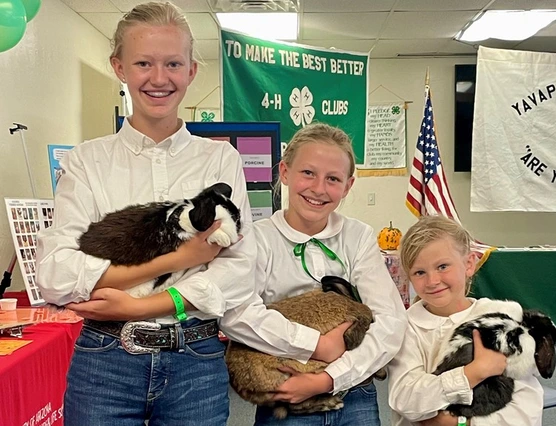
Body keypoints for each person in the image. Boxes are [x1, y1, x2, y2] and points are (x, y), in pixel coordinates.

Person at [35, 2, 256, 425]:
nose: (159, 78)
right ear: (119, 67)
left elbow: (239, 271)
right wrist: (182, 261)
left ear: (192, 70)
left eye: (173, 63)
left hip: (196, 360)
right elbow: (55, 270)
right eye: (143, 63)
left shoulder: (220, 161)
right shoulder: (86, 162)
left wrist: (139, 305)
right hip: (106, 361)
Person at [221, 123, 407, 426]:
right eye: (308, 173)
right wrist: (316, 345)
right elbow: (236, 314)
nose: (319, 188)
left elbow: (391, 322)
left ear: (347, 186)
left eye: (333, 179)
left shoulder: (358, 236)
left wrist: (329, 379)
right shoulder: (258, 239)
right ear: (284, 172)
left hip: (354, 391)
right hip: (287, 391)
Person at [388, 215, 544, 426]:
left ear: (469, 263)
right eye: (419, 272)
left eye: (443, 266)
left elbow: (526, 407)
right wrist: (473, 372)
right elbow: (406, 398)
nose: (433, 281)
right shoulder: (406, 327)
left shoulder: (501, 318)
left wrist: (462, 424)